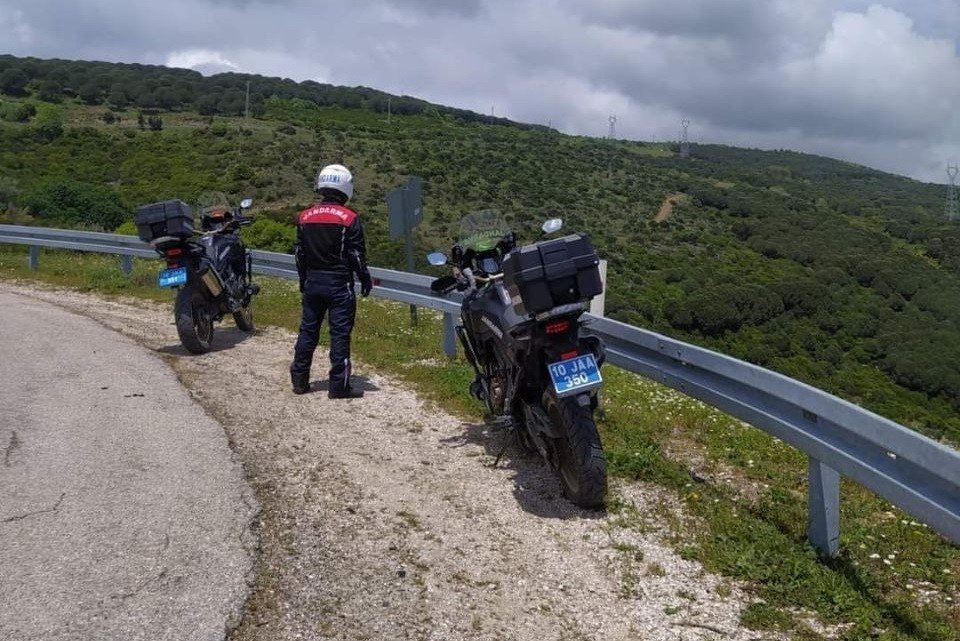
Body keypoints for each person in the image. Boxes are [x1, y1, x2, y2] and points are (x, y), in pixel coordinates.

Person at [290, 164, 372, 398]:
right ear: (346, 187)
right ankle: (339, 386)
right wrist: (364, 278)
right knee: (339, 335)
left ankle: (299, 381)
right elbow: (356, 254)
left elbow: (299, 253)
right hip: (339, 284)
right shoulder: (349, 218)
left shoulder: (305, 216)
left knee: (308, 331)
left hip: (313, 282)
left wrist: (303, 279)